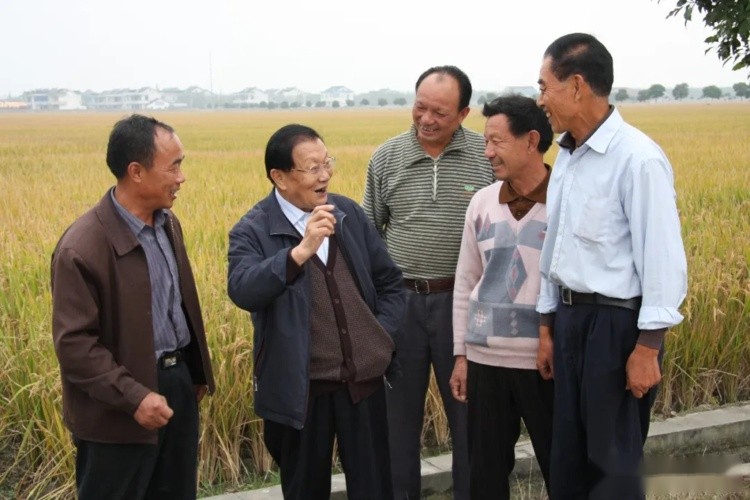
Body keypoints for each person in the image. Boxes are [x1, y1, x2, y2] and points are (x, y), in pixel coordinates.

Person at [535, 33, 688, 499]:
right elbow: (555, 248)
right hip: (571, 321)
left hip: (616, 329)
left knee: (612, 465)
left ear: (577, 85)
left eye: (544, 86)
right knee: (569, 459)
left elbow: (662, 258)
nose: (540, 100)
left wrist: (647, 348)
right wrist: (548, 326)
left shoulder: (638, 159)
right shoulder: (567, 156)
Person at [227, 124, 405, 500]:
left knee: (376, 487)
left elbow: (389, 282)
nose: (325, 175)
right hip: (301, 394)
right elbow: (243, 289)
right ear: (279, 177)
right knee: (305, 489)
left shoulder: (348, 214)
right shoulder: (253, 230)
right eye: (312, 168)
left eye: (327, 163)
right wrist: (299, 252)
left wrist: (380, 336)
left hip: (363, 384)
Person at [51, 114, 215, 500]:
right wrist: (134, 396)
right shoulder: (83, 246)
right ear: (136, 172)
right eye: (173, 166)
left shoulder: (168, 225)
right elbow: (74, 345)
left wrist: (191, 374)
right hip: (118, 408)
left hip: (175, 388)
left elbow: (177, 307)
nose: (181, 177)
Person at [363, 65, 494, 499]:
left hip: (465, 304)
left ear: (464, 114)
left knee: (469, 415)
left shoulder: (484, 156)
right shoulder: (386, 157)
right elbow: (369, 234)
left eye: (440, 112)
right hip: (401, 303)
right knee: (396, 420)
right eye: (420, 107)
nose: (426, 119)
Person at [449, 94, 554, 499]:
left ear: (531, 140)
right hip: (485, 360)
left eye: (497, 141)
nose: (488, 152)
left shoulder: (565, 201)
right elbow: (466, 281)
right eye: (485, 142)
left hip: (545, 361)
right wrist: (461, 354)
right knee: (485, 475)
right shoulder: (482, 201)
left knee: (561, 466)